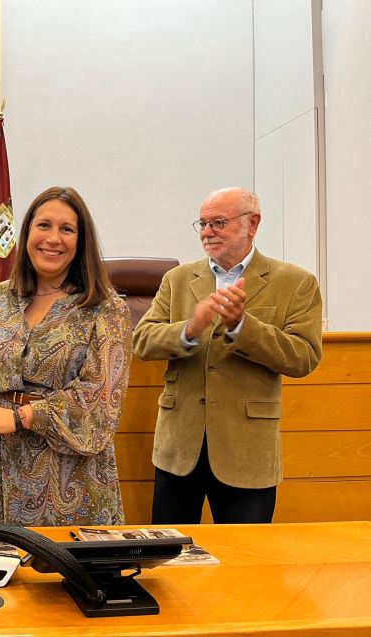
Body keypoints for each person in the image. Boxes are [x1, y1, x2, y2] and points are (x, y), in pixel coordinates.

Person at [0, 186, 132, 526]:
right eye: (44, 225)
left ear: (81, 242)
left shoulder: (106, 309)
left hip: (68, 472)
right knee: (2, 567)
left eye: (67, 229)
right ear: (27, 232)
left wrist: (19, 417)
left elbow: (100, 400)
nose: (53, 238)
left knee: (63, 573)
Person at [132, 187, 322, 524]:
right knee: (169, 558)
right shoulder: (177, 280)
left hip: (247, 451)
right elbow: (142, 341)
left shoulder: (295, 282)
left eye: (218, 223)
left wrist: (241, 327)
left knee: (244, 557)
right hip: (179, 447)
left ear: (252, 224)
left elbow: (303, 356)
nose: (207, 233)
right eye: (202, 224)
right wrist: (190, 328)